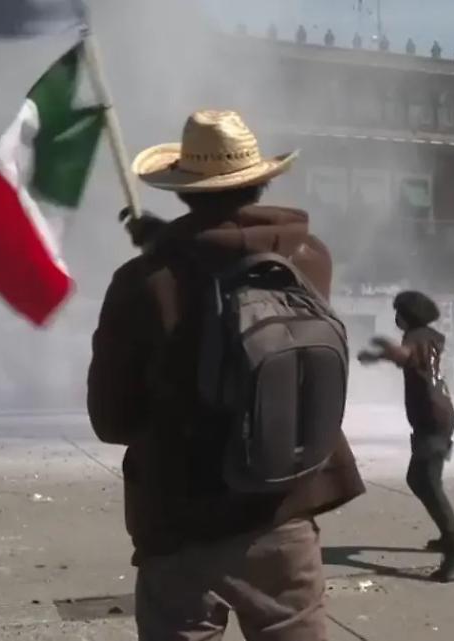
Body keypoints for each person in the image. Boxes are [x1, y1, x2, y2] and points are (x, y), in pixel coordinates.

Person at [87, 110, 365, 641]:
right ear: (260, 181)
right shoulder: (310, 258)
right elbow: (229, 253)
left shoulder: (144, 281)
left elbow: (112, 418)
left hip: (182, 518)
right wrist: (166, 247)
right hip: (285, 506)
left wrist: (160, 253)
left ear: (183, 190)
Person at [357, 290, 454, 582]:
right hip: (439, 415)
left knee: (425, 480)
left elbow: (404, 355)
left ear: (408, 315)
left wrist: (381, 351)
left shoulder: (415, 337)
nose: (395, 318)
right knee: (422, 478)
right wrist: (383, 355)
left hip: (431, 418)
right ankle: (449, 536)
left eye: (397, 312)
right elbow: (411, 361)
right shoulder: (431, 337)